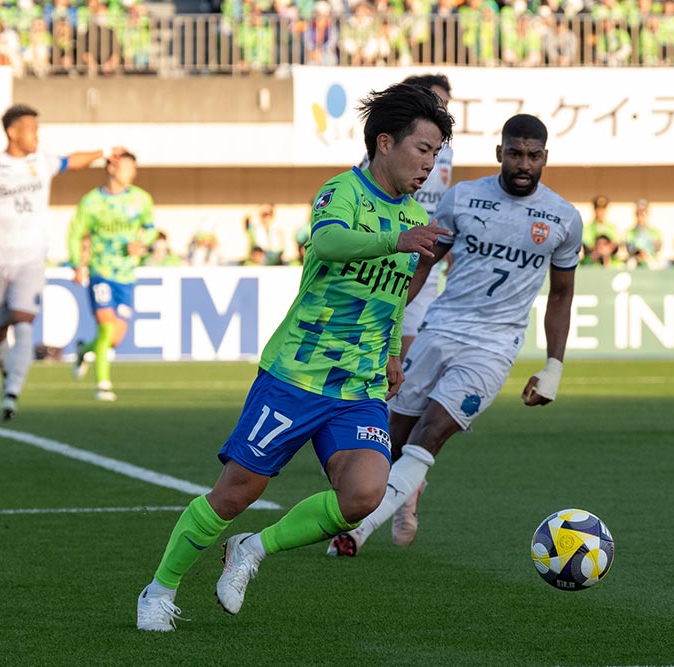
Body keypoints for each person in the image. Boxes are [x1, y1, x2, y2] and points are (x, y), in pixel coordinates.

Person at [135, 82, 454, 631]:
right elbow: (326, 243)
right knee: (236, 492)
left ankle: (253, 548)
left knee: (363, 495)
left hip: (359, 386)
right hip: (297, 376)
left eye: (436, 154)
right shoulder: (343, 192)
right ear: (385, 142)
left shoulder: (411, 216)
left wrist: (392, 354)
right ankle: (158, 590)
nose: (430, 164)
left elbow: (393, 295)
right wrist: (396, 242)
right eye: (423, 149)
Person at [327, 114, 582, 557]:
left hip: (494, 347)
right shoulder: (463, 197)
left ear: (546, 157)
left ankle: (358, 531)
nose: (524, 164)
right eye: (515, 154)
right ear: (499, 153)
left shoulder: (564, 218)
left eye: (533, 156)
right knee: (391, 437)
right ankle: (406, 492)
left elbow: (561, 295)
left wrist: (553, 367)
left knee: (430, 433)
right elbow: (423, 264)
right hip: (440, 328)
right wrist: (388, 324)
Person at [0, 103, 126, 421]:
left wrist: (106, 152)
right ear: (12, 132)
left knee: (24, 322)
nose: (36, 135)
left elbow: (72, 161)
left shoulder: (41, 162)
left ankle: (12, 394)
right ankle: (8, 374)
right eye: (31, 129)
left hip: (31, 258)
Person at [359, 73, 455, 362]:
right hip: (393, 248)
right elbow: (369, 193)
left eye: (447, 103)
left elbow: (439, 198)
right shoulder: (390, 151)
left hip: (425, 251)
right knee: (392, 336)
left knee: (412, 341)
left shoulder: (445, 151)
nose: (444, 108)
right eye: (438, 101)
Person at [68, 150, 155, 402]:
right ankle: (103, 385)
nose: (132, 173)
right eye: (127, 167)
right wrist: (77, 264)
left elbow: (150, 229)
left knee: (115, 338)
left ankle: (84, 350)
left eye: (133, 168)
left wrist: (142, 243)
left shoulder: (141, 199)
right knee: (106, 328)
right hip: (101, 271)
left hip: (126, 275)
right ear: (111, 168)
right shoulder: (91, 202)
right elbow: (75, 233)